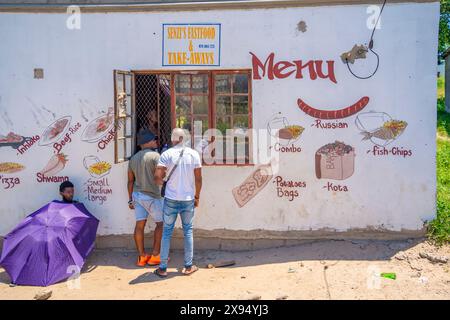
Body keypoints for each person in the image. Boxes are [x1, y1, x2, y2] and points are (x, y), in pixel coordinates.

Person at [153, 128, 203, 277]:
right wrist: (197, 197)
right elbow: (199, 179)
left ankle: (162, 268)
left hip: (171, 199)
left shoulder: (166, 154)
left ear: (173, 139)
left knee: (167, 232)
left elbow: (157, 177)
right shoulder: (193, 154)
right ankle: (188, 266)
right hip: (188, 199)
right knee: (188, 231)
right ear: (184, 139)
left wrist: (165, 183)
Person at [127, 130, 164, 267]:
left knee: (139, 226)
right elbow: (160, 176)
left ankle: (142, 257)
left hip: (137, 195)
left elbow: (130, 181)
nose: (156, 141)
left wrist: (130, 199)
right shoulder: (156, 156)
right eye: (153, 139)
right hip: (153, 196)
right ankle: (155, 255)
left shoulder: (133, 158)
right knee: (160, 224)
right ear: (146, 142)